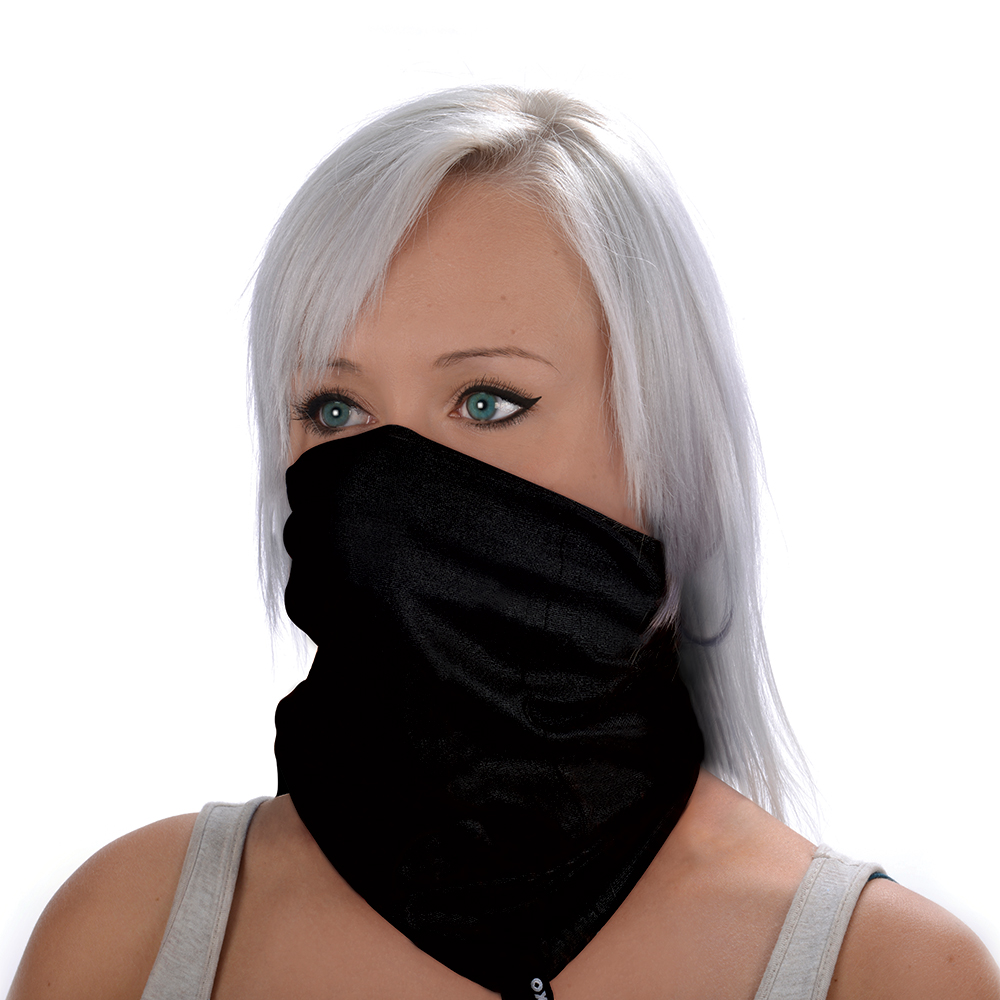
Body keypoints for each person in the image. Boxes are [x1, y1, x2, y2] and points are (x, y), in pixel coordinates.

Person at [8, 86, 998, 1000]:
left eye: (488, 401)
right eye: (335, 410)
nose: (386, 481)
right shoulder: (124, 935)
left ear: (665, 445)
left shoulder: (890, 973)